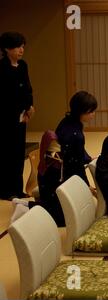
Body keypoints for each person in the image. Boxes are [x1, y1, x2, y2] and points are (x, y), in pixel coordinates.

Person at [0, 32, 34, 200]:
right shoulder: (2, 68)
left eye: (22, 46)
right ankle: (5, 191)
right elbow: (7, 95)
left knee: (19, 153)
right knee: (7, 153)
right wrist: (23, 107)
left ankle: (17, 189)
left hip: (22, 115)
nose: (21, 50)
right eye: (17, 46)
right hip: (6, 117)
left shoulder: (23, 65)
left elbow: (27, 87)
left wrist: (30, 107)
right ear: (6, 49)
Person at [11, 131, 65, 226]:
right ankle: (25, 208)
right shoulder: (51, 164)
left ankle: (24, 204)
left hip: (52, 190)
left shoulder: (53, 159)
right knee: (61, 219)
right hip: (49, 190)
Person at [55, 91, 97, 186]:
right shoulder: (75, 135)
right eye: (91, 111)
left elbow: (78, 151)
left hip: (62, 167)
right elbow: (75, 166)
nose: (93, 114)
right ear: (80, 111)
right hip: (62, 176)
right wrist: (86, 185)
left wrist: (88, 159)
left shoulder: (68, 121)